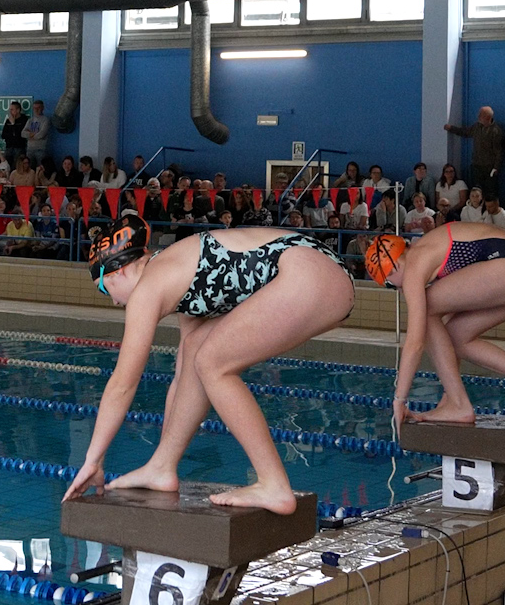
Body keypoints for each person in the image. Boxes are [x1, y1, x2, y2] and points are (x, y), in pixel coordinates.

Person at [65, 216, 354, 514]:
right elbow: (183, 377)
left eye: (103, 288)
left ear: (118, 270)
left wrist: (93, 460)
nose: (112, 301)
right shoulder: (175, 273)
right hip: (319, 271)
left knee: (212, 362)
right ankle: (162, 467)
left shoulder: (148, 289)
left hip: (310, 273)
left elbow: (122, 384)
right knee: (195, 355)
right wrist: (161, 460)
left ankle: (273, 484)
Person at [365, 225, 505, 427]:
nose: (398, 288)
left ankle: (459, 404)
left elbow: (415, 343)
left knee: (427, 309)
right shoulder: (428, 249)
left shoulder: (415, 264)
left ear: (393, 267)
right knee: (456, 338)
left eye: (389, 284)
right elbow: (442, 343)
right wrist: (448, 394)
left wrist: (399, 399)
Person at [444, 106, 505, 198]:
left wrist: (496, 167)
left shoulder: (496, 131)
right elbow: (465, 132)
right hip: (476, 166)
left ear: (488, 117)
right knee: (476, 191)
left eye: (480, 115)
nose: (478, 116)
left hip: (490, 167)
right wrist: (451, 128)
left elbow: (499, 151)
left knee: (490, 192)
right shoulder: (477, 126)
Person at [23, 99, 50, 165]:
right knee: (29, 169)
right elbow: (23, 133)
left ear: (42, 108)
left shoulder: (45, 120)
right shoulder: (30, 120)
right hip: (29, 149)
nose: (36, 110)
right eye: (35, 108)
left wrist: (29, 135)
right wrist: (33, 134)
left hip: (41, 149)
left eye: (38, 108)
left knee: (41, 169)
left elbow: (41, 135)